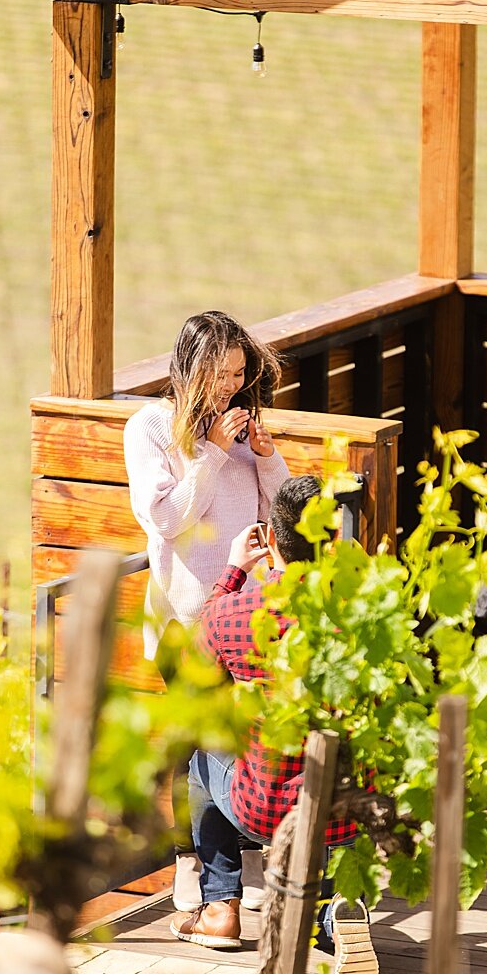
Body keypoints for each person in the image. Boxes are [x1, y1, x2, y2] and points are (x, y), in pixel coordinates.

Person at [167, 474, 379, 974]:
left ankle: (220, 905)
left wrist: (234, 570)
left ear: (272, 539)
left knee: (201, 758)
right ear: (333, 540)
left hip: (262, 807)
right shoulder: (365, 613)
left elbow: (194, 673)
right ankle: (337, 912)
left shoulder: (236, 611)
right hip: (346, 811)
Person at [122, 311, 289, 913]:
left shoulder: (243, 428)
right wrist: (213, 455)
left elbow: (282, 514)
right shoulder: (150, 428)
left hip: (246, 615)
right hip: (185, 619)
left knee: (233, 741)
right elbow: (164, 519)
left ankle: (225, 873)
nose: (229, 386)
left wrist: (265, 457)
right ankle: (194, 866)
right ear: (189, 369)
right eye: (219, 374)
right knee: (201, 742)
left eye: (239, 374)